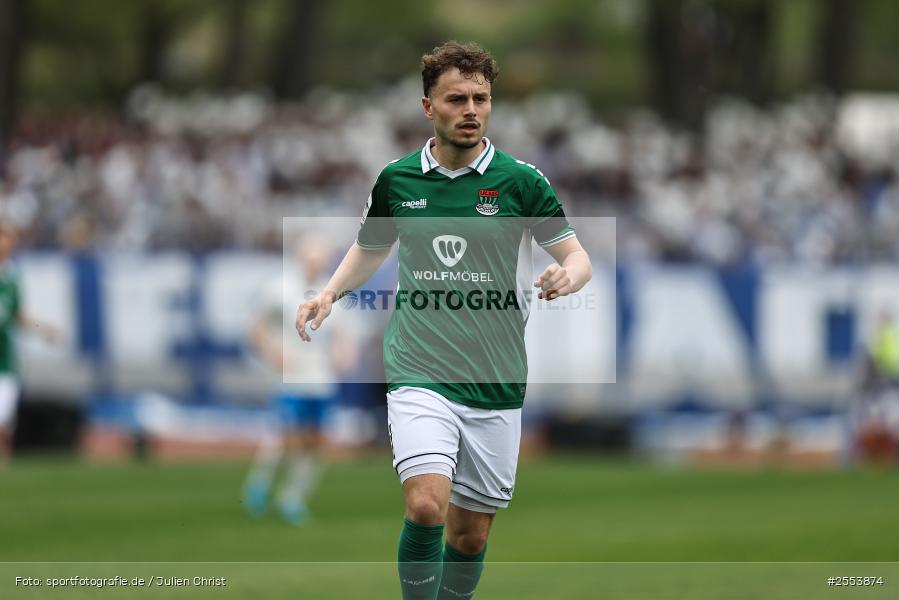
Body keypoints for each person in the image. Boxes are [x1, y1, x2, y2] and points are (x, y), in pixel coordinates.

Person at [295, 41, 592, 599]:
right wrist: (329, 293)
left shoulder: (521, 181)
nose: (472, 109)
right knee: (427, 505)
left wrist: (567, 276)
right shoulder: (398, 181)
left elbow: (577, 257)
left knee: (471, 537)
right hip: (418, 370)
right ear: (428, 106)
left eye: (481, 97)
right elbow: (370, 247)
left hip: (495, 379)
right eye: (457, 98)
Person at [243, 232, 357, 524]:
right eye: (311, 260)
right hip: (290, 374)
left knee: (317, 439)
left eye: (321, 261)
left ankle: (293, 496)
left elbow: (344, 334)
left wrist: (343, 353)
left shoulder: (331, 291)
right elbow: (256, 329)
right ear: (299, 259)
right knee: (289, 435)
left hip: (321, 377)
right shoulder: (279, 289)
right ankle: (261, 482)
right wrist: (273, 354)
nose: (315, 266)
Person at [0, 223, 64, 464]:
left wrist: (44, 329)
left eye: (9, 241)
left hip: (5, 361)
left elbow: (18, 317)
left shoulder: (11, 277)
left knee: (3, 421)